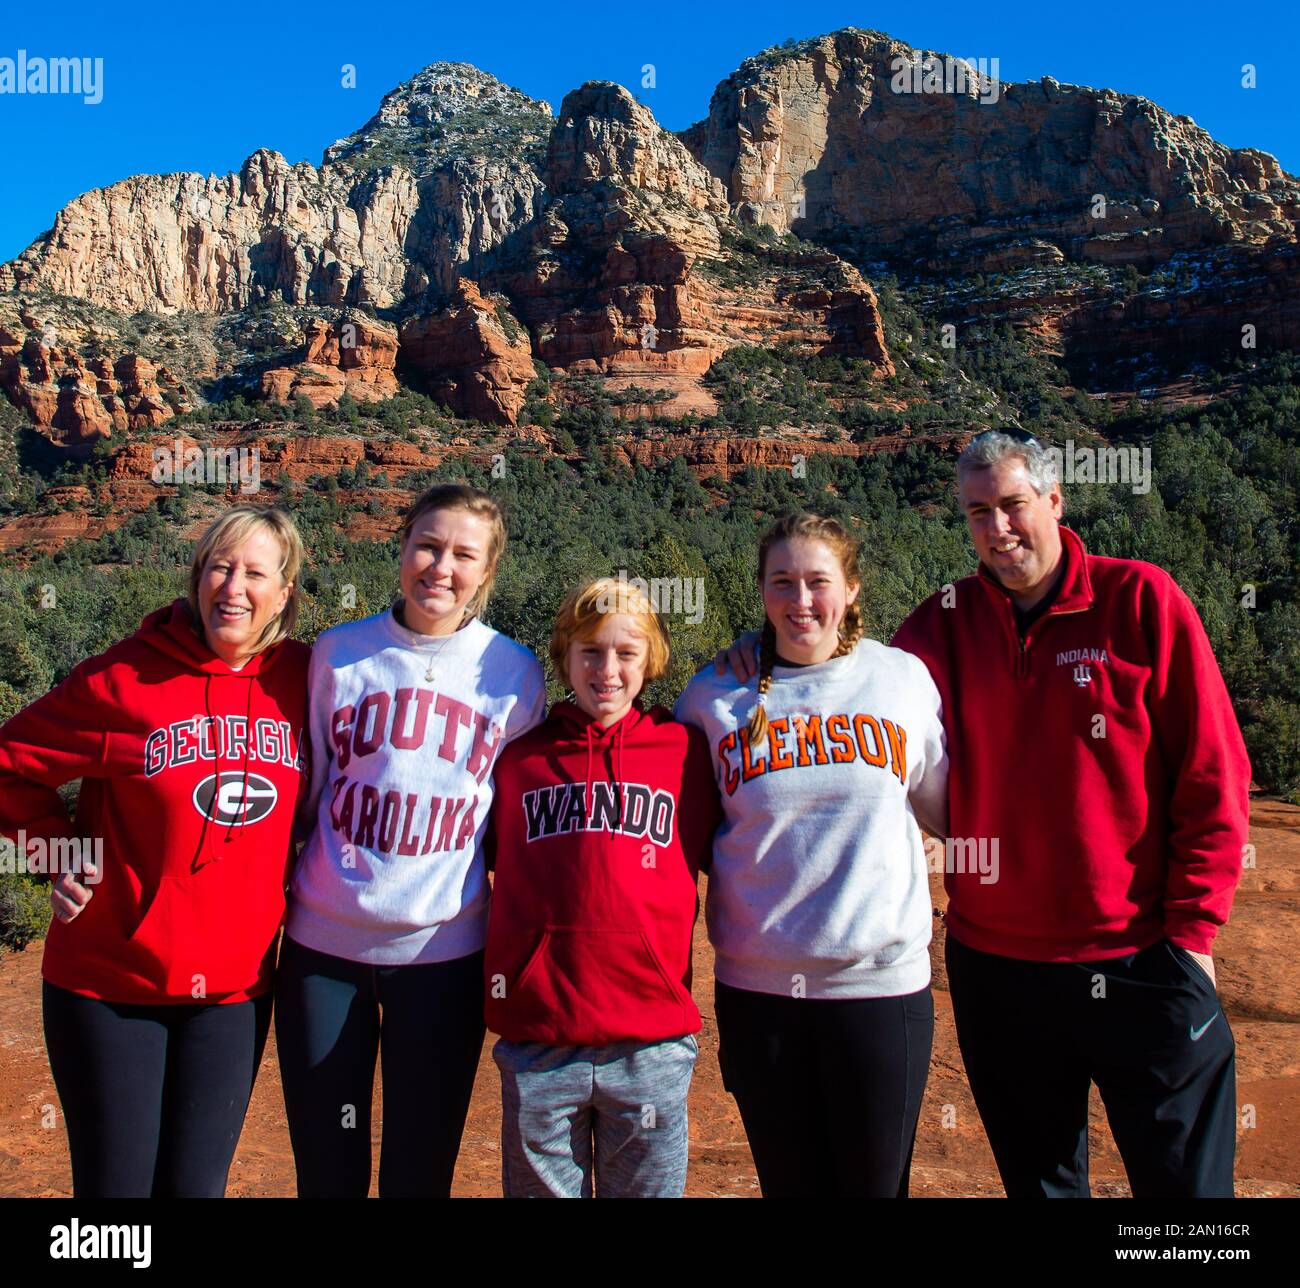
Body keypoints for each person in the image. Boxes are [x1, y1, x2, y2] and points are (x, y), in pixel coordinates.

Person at [889, 428, 1251, 1197]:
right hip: (998, 968)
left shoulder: (1140, 599)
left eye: (1013, 505)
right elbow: (852, 679)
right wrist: (760, 658)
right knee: (1042, 1186)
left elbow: (1213, 774)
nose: (998, 529)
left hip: (1143, 956)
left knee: (1188, 1201)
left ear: (1055, 500)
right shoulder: (942, 622)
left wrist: (1194, 934)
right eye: (978, 513)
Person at [0, 504, 309, 1197]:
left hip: (233, 992)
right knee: (115, 1203)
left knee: (195, 1189)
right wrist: (53, 851)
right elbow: (8, 765)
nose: (234, 587)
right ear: (197, 578)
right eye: (219, 567)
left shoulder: (304, 683)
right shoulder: (123, 681)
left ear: (283, 592)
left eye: (255, 572)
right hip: (110, 984)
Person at [276, 481, 546, 1198]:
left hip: (443, 957)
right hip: (322, 955)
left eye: (463, 555)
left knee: (419, 1171)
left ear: (485, 573)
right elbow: (311, 791)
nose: (440, 567)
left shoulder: (513, 674)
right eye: (427, 546)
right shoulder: (338, 655)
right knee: (327, 1172)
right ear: (401, 549)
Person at [678, 512, 947, 1197]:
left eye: (818, 581)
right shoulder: (713, 695)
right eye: (783, 582)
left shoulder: (901, 680)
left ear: (851, 589)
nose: (801, 601)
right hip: (758, 995)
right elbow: (691, 834)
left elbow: (946, 810)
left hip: (879, 990)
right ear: (762, 591)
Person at [483, 576, 720, 1198]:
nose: (607, 669)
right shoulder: (519, 761)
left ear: (652, 659)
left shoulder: (684, 753)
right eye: (590, 651)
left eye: (626, 652)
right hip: (541, 1034)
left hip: (651, 1038)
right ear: (564, 655)